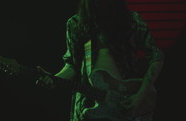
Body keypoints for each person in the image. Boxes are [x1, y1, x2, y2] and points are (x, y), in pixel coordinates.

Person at [36, 0, 164, 121]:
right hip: (86, 107)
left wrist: (139, 96)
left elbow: (157, 57)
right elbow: (72, 67)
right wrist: (55, 79)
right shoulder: (76, 24)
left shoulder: (132, 20)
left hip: (125, 107)